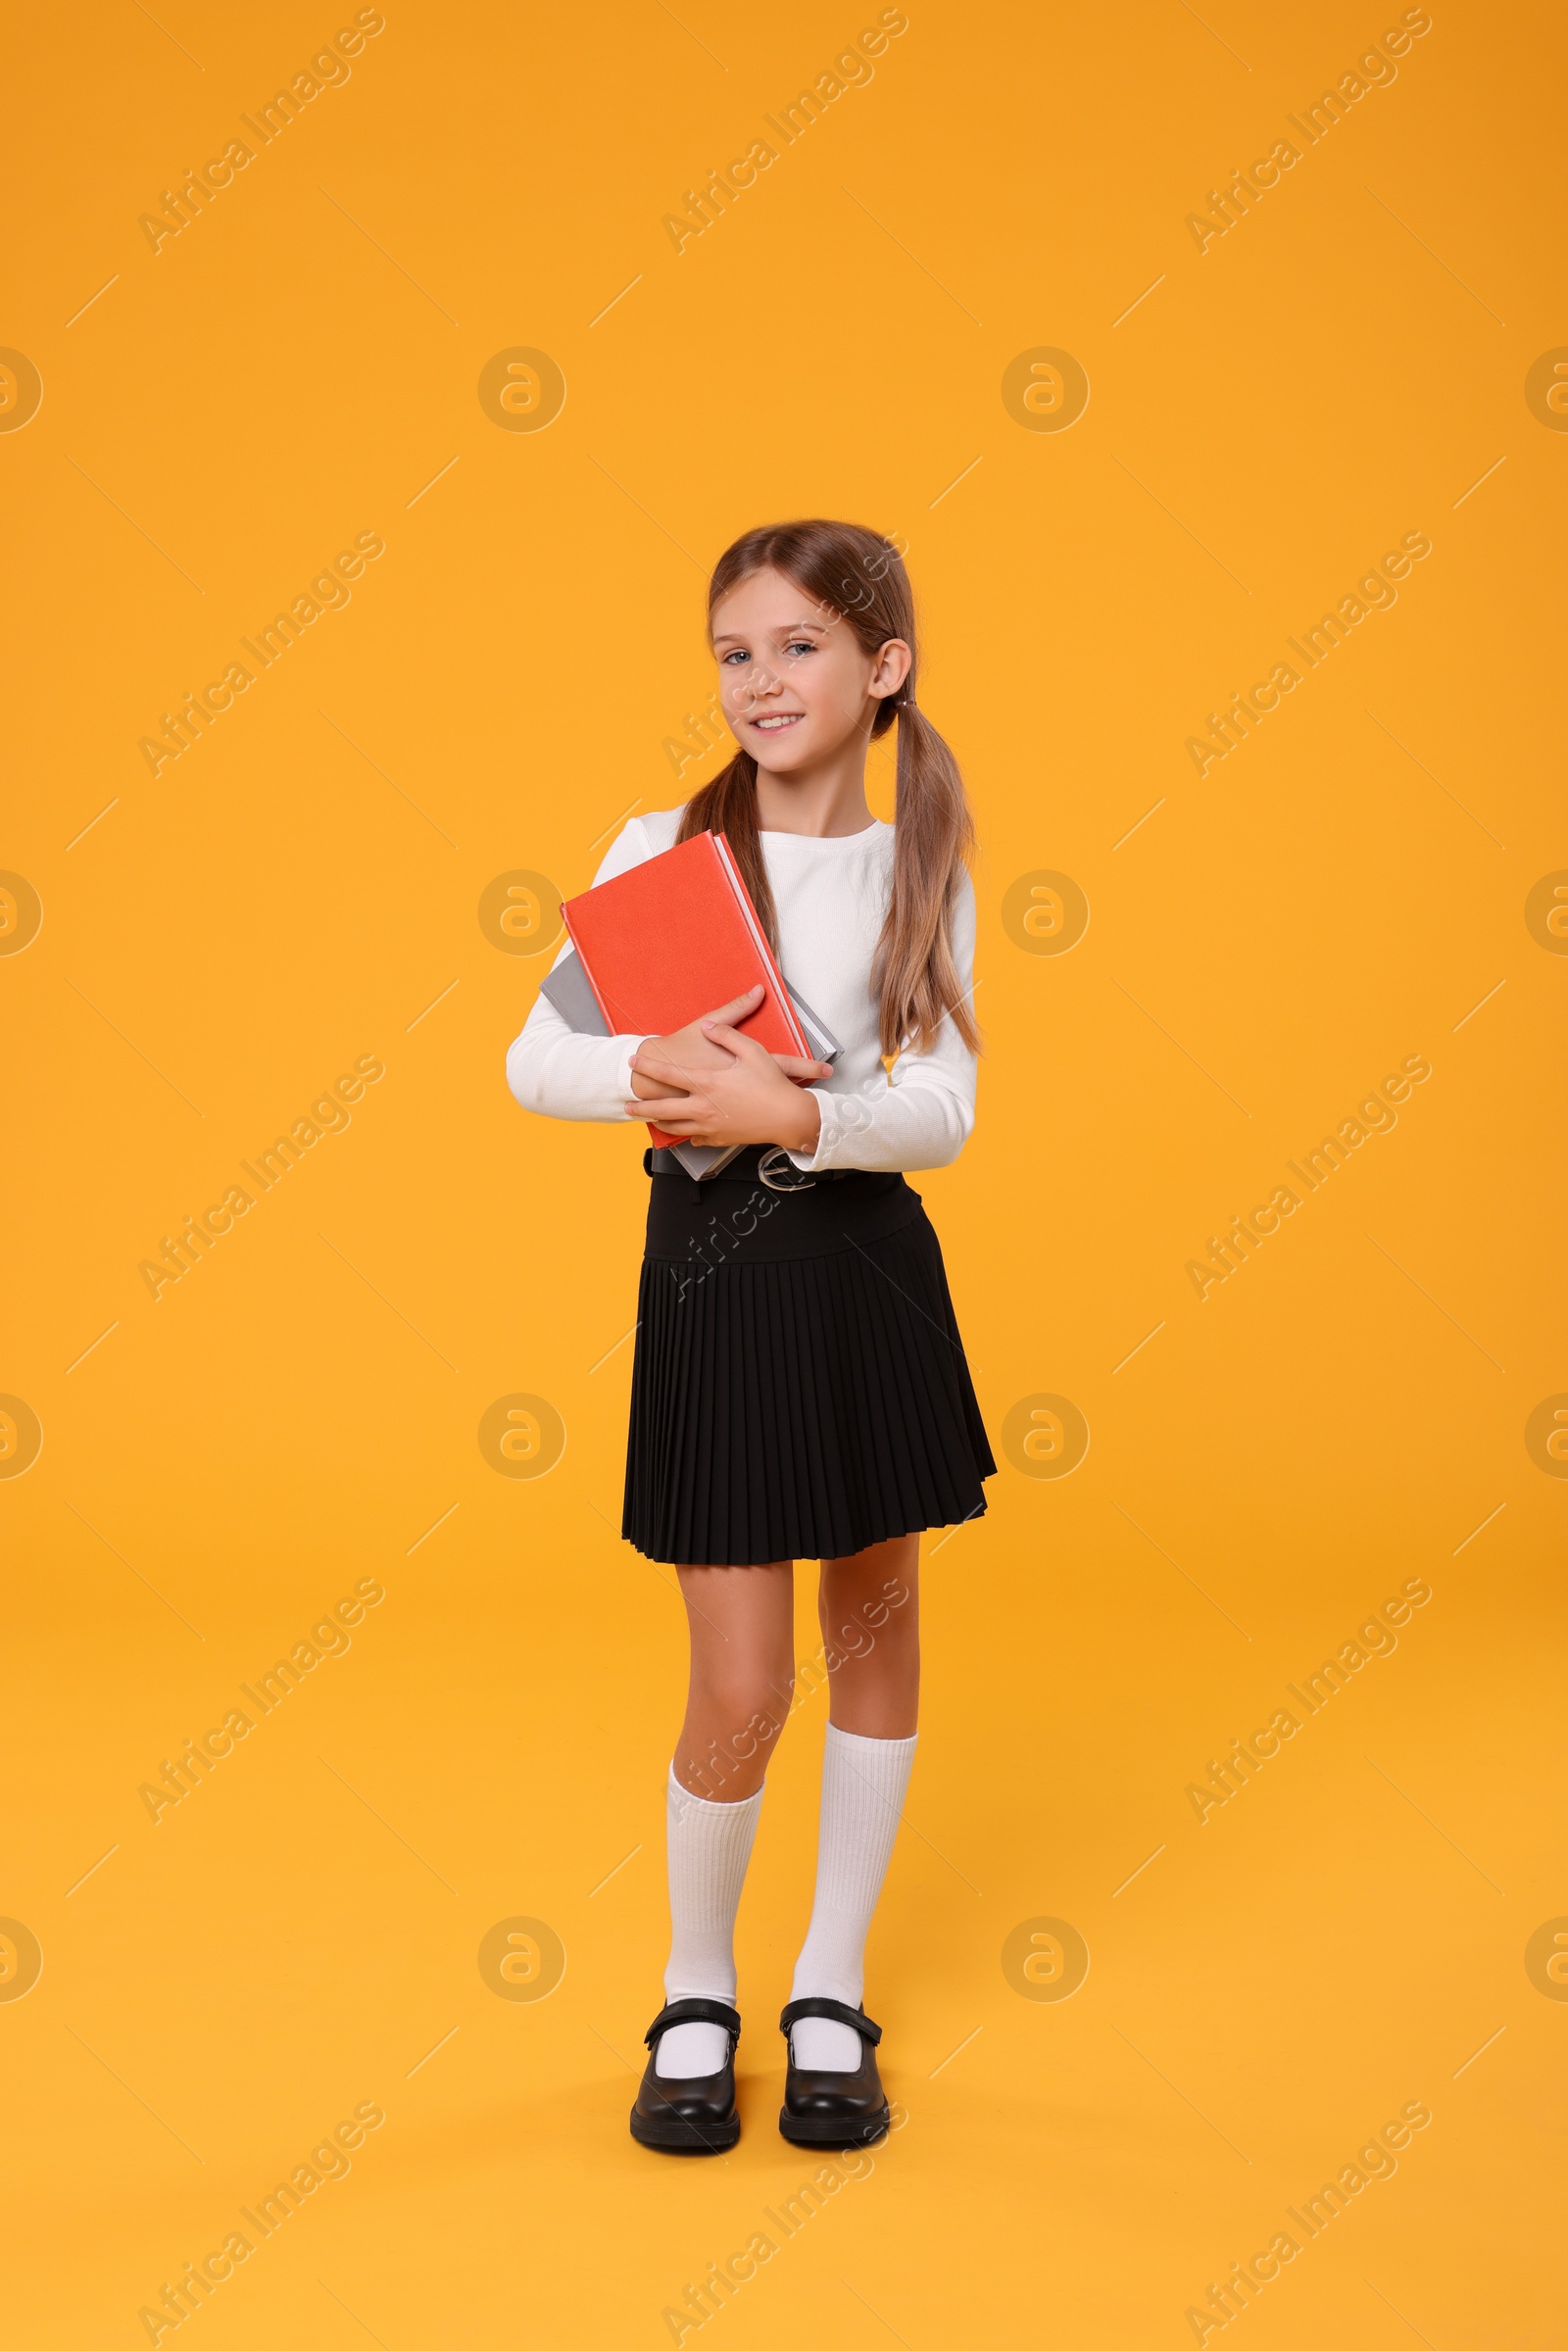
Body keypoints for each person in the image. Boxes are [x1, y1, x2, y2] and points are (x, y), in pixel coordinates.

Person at [507, 518, 994, 2152]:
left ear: (883, 667)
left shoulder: (924, 864)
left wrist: (796, 1104)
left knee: (874, 1641)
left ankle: (828, 1985)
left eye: (798, 646)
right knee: (742, 1680)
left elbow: (940, 1110)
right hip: (714, 1279)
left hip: (865, 1282)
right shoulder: (669, 842)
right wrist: (662, 1079)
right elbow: (534, 1059)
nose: (762, 681)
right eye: (735, 652)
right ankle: (697, 1981)